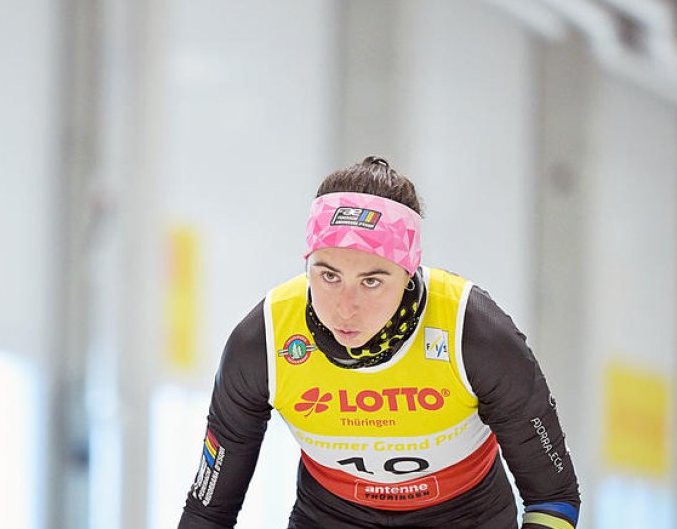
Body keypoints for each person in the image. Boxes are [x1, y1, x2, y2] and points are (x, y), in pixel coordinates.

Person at [178, 156, 580, 529]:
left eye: (371, 281)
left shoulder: (473, 331)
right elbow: (208, 510)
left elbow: (554, 499)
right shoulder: (265, 339)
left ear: (408, 274)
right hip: (331, 515)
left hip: (465, 516)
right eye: (328, 276)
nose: (345, 308)